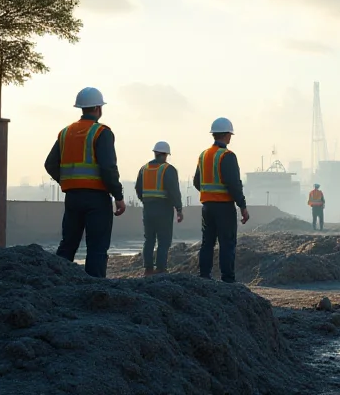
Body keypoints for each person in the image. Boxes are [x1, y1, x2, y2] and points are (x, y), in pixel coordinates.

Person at [44, 87, 127, 278]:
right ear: (98, 108)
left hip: (73, 197)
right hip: (97, 199)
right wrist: (118, 196)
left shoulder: (65, 132)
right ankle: (95, 288)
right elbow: (108, 168)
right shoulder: (101, 132)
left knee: (68, 245)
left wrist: (68, 181)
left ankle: (56, 284)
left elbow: (50, 164)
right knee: (97, 247)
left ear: (81, 108)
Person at [193, 117, 249, 283]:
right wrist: (242, 206)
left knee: (207, 242)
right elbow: (234, 184)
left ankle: (204, 276)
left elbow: (197, 182)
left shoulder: (203, 155)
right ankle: (228, 279)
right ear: (226, 135)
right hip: (224, 207)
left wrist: (209, 194)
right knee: (227, 243)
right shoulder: (227, 156)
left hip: (207, 206)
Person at [135, 141, 183, 276]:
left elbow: (138, 189)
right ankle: (161, 268)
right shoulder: (168, 169)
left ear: (155, 153)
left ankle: (148, 269)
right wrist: (179, 209)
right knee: (163, 240)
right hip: (163, 209)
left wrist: (146, 201)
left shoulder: (144, 169)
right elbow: (174, 191)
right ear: (166, 154)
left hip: (148, 209)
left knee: (149, 239)